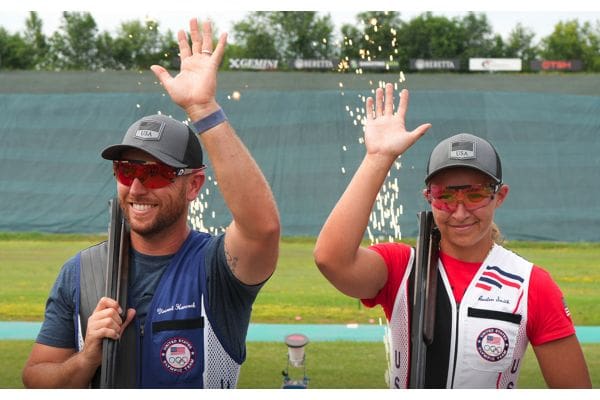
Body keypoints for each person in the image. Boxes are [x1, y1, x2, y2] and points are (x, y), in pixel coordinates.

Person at [22, 18, 280, 389]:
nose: (137, 187)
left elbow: (262, 228)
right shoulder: (81, 271)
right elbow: (36, 379)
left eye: (156, 173)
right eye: (127, 170)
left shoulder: (218, 269)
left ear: (193, 185)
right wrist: (88, 356)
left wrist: (203, 108)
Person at [313, 83, 591, 388]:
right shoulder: (402, 267)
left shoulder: (532, 285)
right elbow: (331, 259)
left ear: (500, 197)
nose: (459, 212)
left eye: (475, 195)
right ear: (428, 197)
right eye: (444, 195)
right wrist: (378, 157)